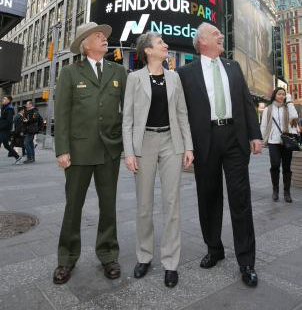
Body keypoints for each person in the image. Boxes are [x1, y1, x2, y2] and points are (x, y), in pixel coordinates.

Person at [178, 22, 263, 288]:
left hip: (235, 139)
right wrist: (186, 145)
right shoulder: (185, 73)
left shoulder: (233, 67)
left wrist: (255, 133)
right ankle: (214, 249)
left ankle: (246, 261)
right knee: (209, 197)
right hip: (206, 141)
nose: (220, 36)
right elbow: (181, 113)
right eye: (215, 34)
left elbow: (246, 102)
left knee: (241, 199)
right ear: (202, 41)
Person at [53, 22, 127, 285]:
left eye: (105, 35)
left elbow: (127, 111)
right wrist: (62, 149)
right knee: (73, 207)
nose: (104, 39)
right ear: (86, 45)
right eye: (98, 36)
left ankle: (108, 254)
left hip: (110, 151)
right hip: (79, 152)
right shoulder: (70, 73)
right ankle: (66, 259)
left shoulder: (119, 70)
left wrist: (126, 144)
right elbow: (61, 114)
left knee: (109, 206)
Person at [122, 32, 193, 288]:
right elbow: (127, 118)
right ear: (148, 51)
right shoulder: (134, 78)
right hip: (145, 144)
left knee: (172, 203)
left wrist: (188, 146)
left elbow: (182, 114)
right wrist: (129, 152)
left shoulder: (174, 77)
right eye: (160, 42)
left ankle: (171, 262)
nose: (166, 45)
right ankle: (144, 256)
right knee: (144, 204)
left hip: (171, 142)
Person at [260, 88, 298, 203]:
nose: (281, 96)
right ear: (275, 95)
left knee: (287, 167)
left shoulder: (288, 107)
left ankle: (287, 192)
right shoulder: (268, 109)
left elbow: (295, 117)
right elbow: (264, 125)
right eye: (279, 94)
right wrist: (262, 140)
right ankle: (275, 190)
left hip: (286, 142)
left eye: (283, 94)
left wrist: (290, 101)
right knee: (275, 165)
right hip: (273, 142)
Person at [0, 96, 22, 164]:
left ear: (8, 100)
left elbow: (8, 121)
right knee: (6, 145)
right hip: (2, 129)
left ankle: (17, 157)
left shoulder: (9, 109)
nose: (3, 100)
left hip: (5, 130)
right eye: (3, 99)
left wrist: (1, 126)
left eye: (4, 99)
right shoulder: (4, 107)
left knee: (6, 145)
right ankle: (17, 157)